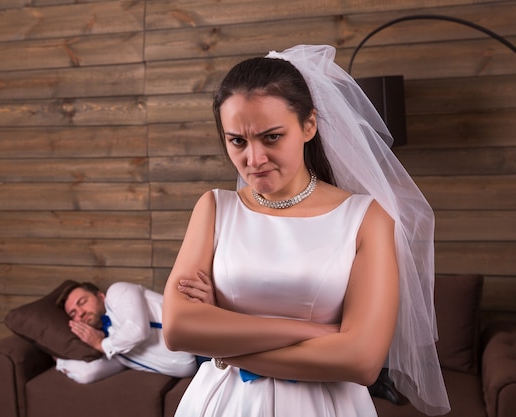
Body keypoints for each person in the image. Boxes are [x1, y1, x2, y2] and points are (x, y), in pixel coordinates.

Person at [162, 45, 450, 416]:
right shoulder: (215, 208)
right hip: (223, 404)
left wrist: (222, 336)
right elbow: (177, 329)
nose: (253, 159)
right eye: (237, 141)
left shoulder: (367, 218)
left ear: (308, 125)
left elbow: (361, 360)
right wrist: (319, 332)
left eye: (271, 137)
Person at [54, 281, 197, 384]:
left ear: (100, 296)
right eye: (73, 313)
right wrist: (59, 359)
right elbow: (87, 373)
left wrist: (101, 344)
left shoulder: (117, 292)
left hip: (203, 346)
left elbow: (137, 330)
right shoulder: (114, 348)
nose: (80, 313)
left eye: (82, 302)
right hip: (198, 373)